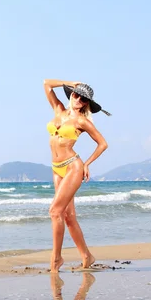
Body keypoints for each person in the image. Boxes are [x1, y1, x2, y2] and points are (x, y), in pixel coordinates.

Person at [43, 79, 110, 273]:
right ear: (71, 94)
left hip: (73, 167)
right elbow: (46, 84)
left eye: (83, 99)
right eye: (76, 94)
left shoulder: (82, 121)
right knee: (68, 216)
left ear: (86, 104)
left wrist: (87, 164)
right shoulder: (58, 109)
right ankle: (87, 256)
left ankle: (56, 258)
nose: (78, 99)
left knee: (54, 212)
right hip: (56, 168)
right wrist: (70, 82)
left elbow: (103, 144)